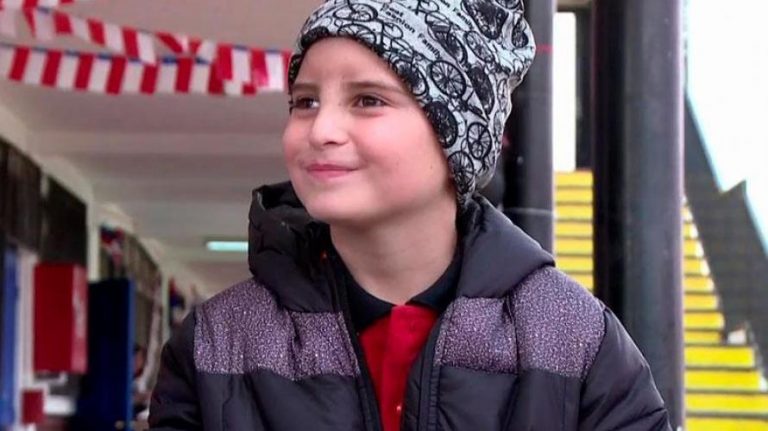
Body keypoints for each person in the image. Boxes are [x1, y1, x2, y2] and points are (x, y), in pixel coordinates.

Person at [148, 0, 672, 430]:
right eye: (305, 102)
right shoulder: (216, 343)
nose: (321, 129)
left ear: (455, 136)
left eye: (367, 100)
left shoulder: (575, 340)